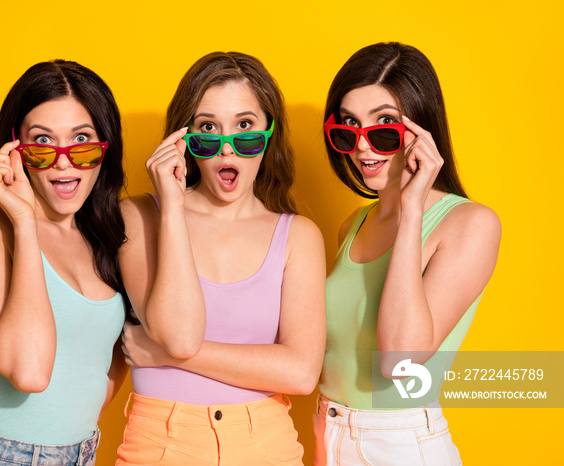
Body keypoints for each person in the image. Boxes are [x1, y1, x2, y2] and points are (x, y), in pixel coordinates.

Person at [117, 51, 326, 465]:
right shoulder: (139, 217)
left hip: (266, 445)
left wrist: (164, 355)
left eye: (245, 128)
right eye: (208, 129)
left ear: (269, 133)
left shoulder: (298, 236)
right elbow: (177, 332)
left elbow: (301, 372)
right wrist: (173, 207)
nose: (227, 149)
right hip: (160, 445)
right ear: (183, 139)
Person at [314, 42, 501, 465]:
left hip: (398, 443)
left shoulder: (470, 224)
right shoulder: (354, 224)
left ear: (422, 130)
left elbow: (400, 359)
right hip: (329, 432)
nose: (363, 147)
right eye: (349, 126)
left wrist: (411, 208)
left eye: (384, 125)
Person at [0, 59, 127, 465]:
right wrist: (25, 221)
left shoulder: (107, 236)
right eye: (42, 142)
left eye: (82, 140)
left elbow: (116, 353)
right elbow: (29, 372)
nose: (64, 161)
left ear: (105, 146)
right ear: (15, 149)